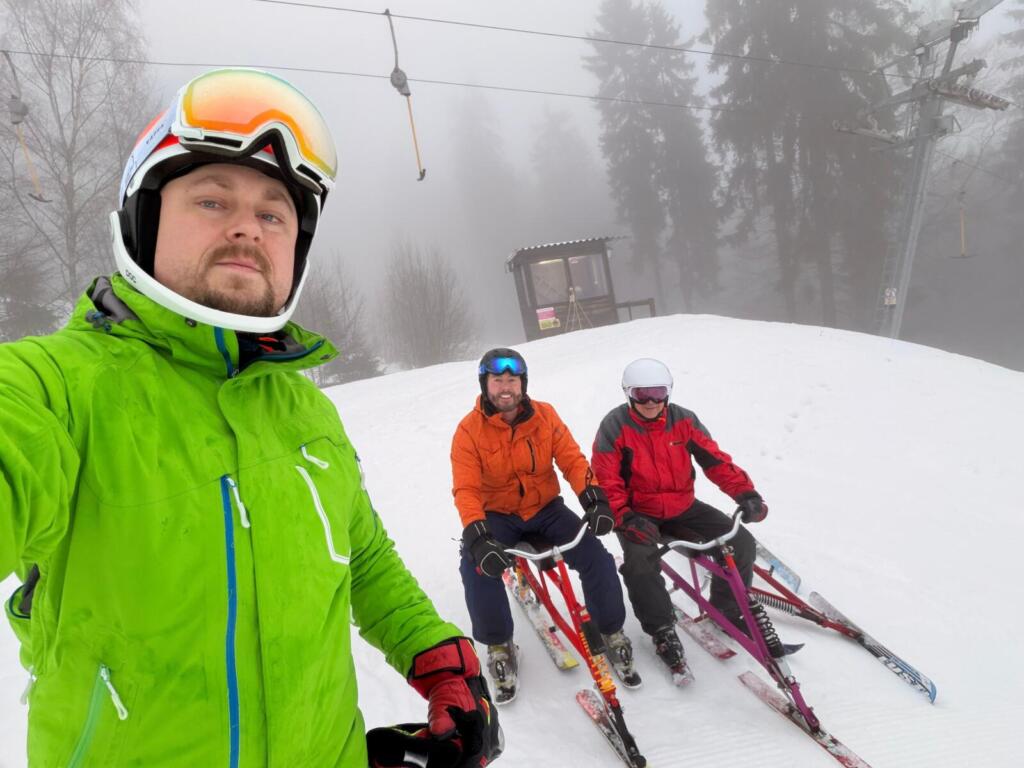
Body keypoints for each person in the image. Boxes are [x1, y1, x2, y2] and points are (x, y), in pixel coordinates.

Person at [0, 67, 501, 768]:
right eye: (211, 200)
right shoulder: (52, 388)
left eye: (274, 215)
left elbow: (362, 559)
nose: (246, 227)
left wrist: (437, 656)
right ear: (144, 219)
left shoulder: (308, 411)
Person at [451, 348, 639, 703]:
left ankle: (611, 631)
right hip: (498, 514)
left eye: (512, 380)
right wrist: (478, 535)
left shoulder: (545, 416)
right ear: (485, 385)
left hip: (546, 508)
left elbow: (571, 459)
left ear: (523, 383)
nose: (505, 388)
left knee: (596, 557)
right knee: (477, 567)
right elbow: (466, 489)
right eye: (497, 380)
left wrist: (594, 499)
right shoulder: (468, 431)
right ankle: (499, 644)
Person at [591, 358, 773, 679]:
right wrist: (625, 517)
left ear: (668, 393)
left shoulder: (683, 421)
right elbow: (606, 479)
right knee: (640, 564)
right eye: (642, 394)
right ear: (628, 394)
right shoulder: (615, 425)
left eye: (658, 393)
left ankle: (727, 608)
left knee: (741, 542)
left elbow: (715, 461)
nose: (651, 402)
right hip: (638, 514)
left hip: (683, 507)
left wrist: (745, 493)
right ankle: (661, 629)